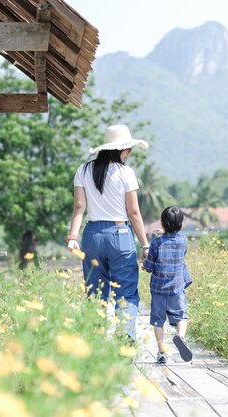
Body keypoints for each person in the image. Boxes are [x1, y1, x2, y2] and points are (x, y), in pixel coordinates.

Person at [66, 124, 150, 343]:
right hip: (120, 233)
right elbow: (133, 212)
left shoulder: (82, 170)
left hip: (92, 235)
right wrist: (145, 244)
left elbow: (78, 207)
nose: (129, 154)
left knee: (95, 293)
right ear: (120, 150)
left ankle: (95, 344)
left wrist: (73, 237)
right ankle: (125, 342)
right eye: (128, 150)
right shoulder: (125, 172)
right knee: (126, 292)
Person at [142, 206, 193, 364]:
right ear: (181, 224)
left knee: (158, 320)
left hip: (158, 290)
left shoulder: (156, 243)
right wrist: (166, 234)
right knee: (181, 316)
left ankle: (162, 352)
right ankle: (181, 337)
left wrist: (145, 263)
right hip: (176, 289)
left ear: (162, 223)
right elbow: (175, 244)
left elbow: (149, 267)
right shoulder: (183, 241)